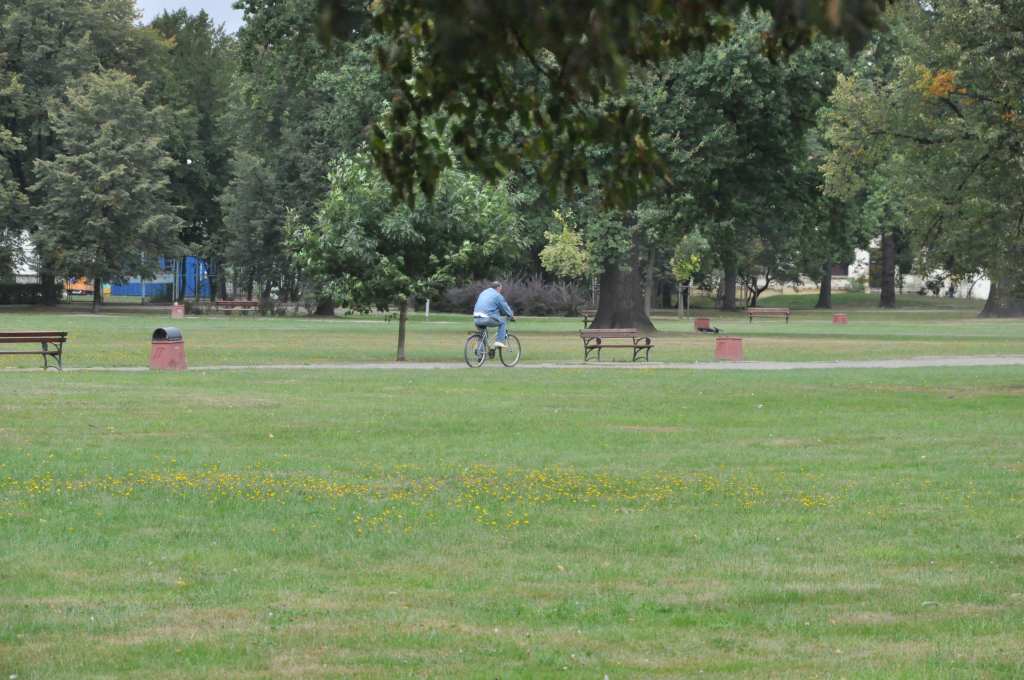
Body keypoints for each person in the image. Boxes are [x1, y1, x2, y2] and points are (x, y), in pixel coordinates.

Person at [473, 281, 515, 348]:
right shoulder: (497, 295)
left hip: (476, 318)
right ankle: (500, 341)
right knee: (503, 322)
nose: (500, 291)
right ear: (498, 287)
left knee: (482, 335)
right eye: (500, 289)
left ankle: (480, 354)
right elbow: (505, 308)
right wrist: (511, 315)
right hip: (487, 318)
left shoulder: (483, 293)